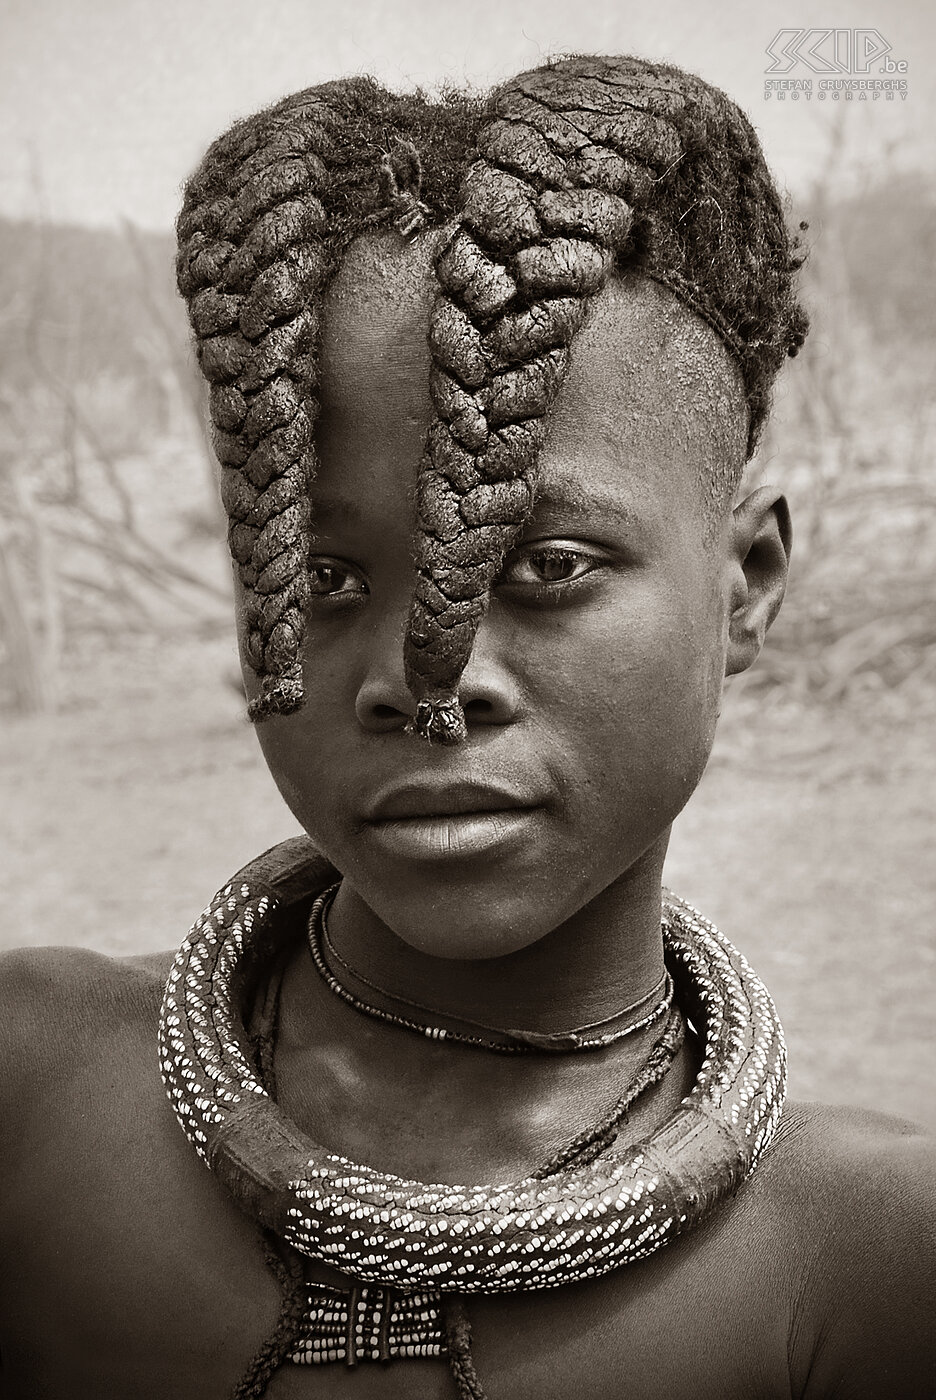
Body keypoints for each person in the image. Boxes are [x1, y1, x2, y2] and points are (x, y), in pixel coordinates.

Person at [0, 54, 932, 1400]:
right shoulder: (33, 1091)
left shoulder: (864, 1265)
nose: (424, 676)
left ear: (748, 585)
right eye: (323, 579)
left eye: (547, 565)